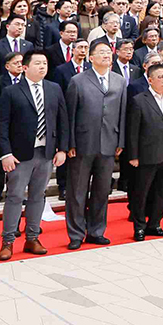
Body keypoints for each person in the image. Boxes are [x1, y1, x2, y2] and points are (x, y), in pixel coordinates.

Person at [0, 51, 68, 261]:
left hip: (46, 152)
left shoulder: (54, 89)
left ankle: (32, 237)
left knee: (38, 196)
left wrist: (62, 148)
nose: (42, 67)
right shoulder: (11, 91)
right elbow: (2, 125)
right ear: (25, 67)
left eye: (45, 63)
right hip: (19, 154)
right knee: (15, 196)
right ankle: (8, 241)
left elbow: (62, 119)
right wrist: (6, 153)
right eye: (37, 63)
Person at [63, 39, 126, 247]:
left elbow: (122, 113)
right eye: (101, 52)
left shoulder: (118, 80)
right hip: (82, 143)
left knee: (101, 191)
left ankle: (96, 230)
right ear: (90, 58)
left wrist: (121, 139)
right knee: (77, 192)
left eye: (109, 52)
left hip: (109, 142)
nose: (106, 55)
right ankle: (75, 234)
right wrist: (69, 143)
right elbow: (70, 115)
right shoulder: (78, 81)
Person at [124, 63, 163, 240]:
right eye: (161, 77)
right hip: (146, 154)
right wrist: (133, 155)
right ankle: (139, 226)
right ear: (150, 80)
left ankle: (154, 223)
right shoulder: (139, 100)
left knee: (161, 192)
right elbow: (132, 130)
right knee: (142, 192)